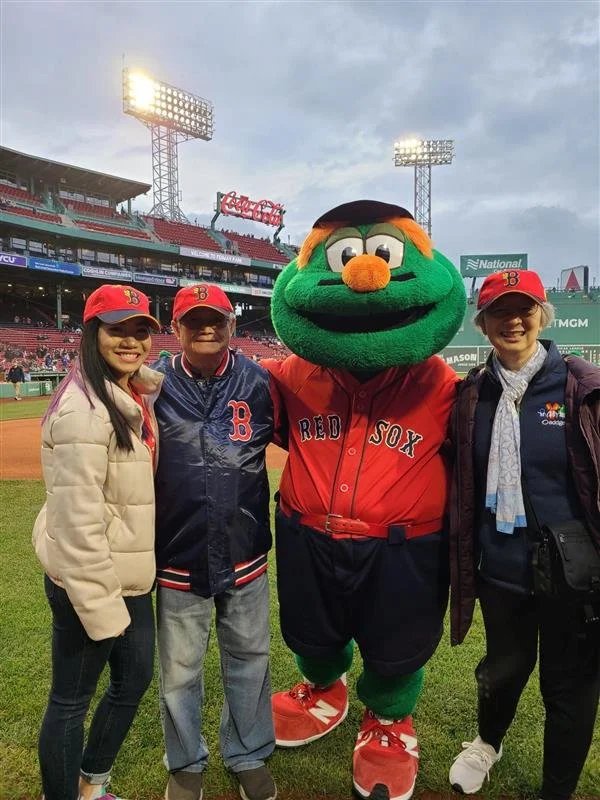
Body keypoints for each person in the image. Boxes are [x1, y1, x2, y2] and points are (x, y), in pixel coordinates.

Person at [448, 269, 600, 799]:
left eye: (524, 308)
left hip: (574, 573)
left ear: (542, 313)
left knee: (570, 687)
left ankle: (555, 790)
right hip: (502, 568)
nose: (513, 320)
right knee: (502, 671)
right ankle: (488, 743)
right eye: (499, 311)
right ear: (482, 322)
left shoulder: (582, 386)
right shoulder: (472, 394)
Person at [32, 284, 163, 800]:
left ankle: (91, 786)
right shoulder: (83, 410)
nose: (131, 341)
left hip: (126, 575)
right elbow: (79, 524)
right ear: (92, 333)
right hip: (90, 579)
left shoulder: (125, 392)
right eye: (117, 329)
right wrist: (101, 607)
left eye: (141, 330)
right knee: (71, 699)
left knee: (132, 681)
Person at [152, 284, 277, 800]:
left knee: (250, 656)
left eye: (217, 319)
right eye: (193, 319)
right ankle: (185, 761)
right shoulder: (151, 381)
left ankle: (247, 751)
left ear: (231, 325)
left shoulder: (258, 380)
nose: (206, 328)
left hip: (244, 544)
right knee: (179, 670)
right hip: (177, 549)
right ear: (176, 327)